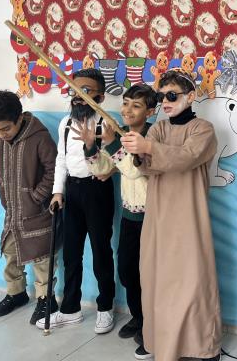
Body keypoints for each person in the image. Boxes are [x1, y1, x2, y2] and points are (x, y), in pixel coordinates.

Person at [121, 69, 222, 361]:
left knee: (193, 280)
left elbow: (187, 157)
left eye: (172, 96)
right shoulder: (158, 129)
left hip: (189, 216)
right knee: (158, 279)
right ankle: (159, 341)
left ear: (190, 96)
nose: (165, 101)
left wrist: (147, 147)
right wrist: (138, 153)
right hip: (159, 216)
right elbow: (148, 166)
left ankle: (202, 345)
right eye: (161, 96)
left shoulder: (203, 129)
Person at [38, 68, 117, 334]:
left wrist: (101, 157)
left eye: (85, 91)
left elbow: (112, 162)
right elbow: (61, 159)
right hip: (72, 191)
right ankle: (70, 308)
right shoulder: (65, 124)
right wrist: (58, 191)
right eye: (74, 90)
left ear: (100, 97)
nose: (77, 97)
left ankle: (105, 307)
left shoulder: (105, 123)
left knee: (101, 251)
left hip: (97, 191)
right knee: (71, 253)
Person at [82, 83, 157, 359]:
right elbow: (102, 169)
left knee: (150, 275)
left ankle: (152, 326)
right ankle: (139, 317)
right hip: (129, 217)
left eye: (136, 106)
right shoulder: (121, 134)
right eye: (125, 103)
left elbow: (135, 170)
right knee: (127, 271)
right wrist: (91, 146)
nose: (127, 110)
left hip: (152, 218)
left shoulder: (153, 136)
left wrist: (114, 142)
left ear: (150, 111)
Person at [0, 89, 57, 325]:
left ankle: (46, 299)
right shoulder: (0, 140)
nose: (1, 134)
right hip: (13, 210)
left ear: (20, 117)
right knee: (10, 252)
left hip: (37, 211)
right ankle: (16, 293)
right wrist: (3, 193)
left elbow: (54, 170)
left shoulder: (40, 138)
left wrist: (36, 196)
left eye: (5, 128)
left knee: (42, 257)